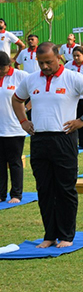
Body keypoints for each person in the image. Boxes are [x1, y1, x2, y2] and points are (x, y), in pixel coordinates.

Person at [12, 42, 83, 248]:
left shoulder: (72, 77)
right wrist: (23, 122)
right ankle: (49, 235)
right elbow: (17, 100)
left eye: (48, 62)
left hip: (64, 139)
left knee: (65, 189)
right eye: (41, 63)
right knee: (44, 189)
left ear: (58, 58)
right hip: (39, 140)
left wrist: (82, 119)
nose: (44, 66)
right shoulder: (31, 80)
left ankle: (66, 235)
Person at [0, 51, 29, 203]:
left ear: (8, 65)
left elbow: (34, 94)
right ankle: (1, 194)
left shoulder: (21, 76)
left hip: (14, 128)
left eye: (2, 68)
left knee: (14, 162)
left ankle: (16, 194)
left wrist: (26, 109)